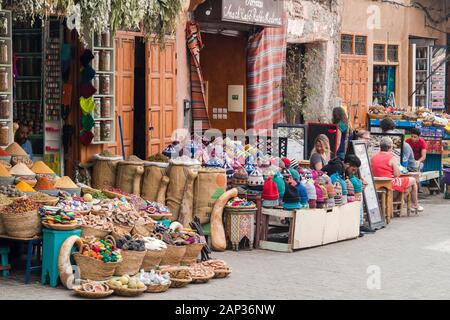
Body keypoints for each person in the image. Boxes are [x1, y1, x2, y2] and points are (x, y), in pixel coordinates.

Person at [371, 137, 423, 212]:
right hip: (389, 183)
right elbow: (397, 174)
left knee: (408, 188)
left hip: (376, 183)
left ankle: (395, 205)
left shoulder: (373, 157)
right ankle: (414, 204)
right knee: (413, 180)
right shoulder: (391, 157)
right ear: (390, 147)